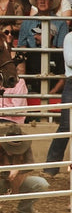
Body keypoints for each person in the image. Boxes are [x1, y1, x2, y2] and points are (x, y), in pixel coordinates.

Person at [0, 124, 49, 213]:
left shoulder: (25, 145)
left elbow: (30, 164)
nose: (12, 151)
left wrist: (17, 170)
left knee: (42, 184)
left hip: (18, 180)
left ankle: (24, 209)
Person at [46, 29, 72, 174]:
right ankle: (51, 168)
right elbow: (70, 60)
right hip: (71, 83)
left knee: (65, 127)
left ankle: (51, 168)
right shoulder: (69, 37)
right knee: (66, 126)